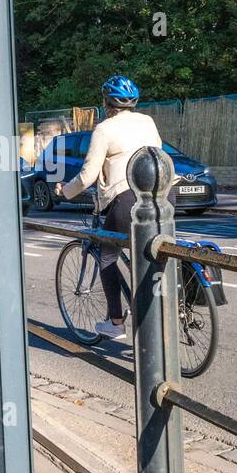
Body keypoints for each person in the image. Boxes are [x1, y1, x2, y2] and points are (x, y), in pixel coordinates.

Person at [56, 75, 161, 339]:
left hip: (127, 200)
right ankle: (169, 305)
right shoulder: (148, 122)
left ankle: (115, 322)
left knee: (107, 255)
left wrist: (65, 192)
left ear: (106, 103)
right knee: (156, 253)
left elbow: (88, 175)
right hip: (163, 197)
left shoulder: (104, 129)